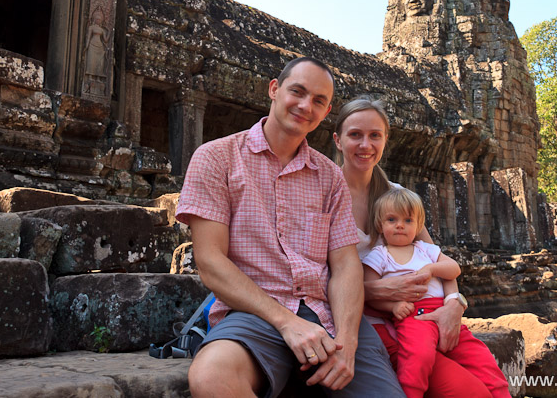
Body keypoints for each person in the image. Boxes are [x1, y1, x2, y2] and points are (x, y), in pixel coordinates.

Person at [176, 57, 405, 398]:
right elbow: (210, 260)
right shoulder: (216, 157)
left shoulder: (329, 176)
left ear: (326, 112)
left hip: (326, 314)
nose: (304, 105)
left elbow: (344, 264)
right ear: (274, 89)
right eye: (297, 91)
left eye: (318, 101)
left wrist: (347, 340)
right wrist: (287, 322)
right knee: (212, 377)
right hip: (254, 312)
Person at [333, 97, 507, 397]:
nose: (366, 144)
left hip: (427, 317)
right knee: (470, 392)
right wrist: (379, 293)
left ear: (386, 139)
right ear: (337, 140)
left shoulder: (399, 198)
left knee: (493, 383)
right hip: (371, 324)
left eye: (375, 135)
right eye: (355, 135)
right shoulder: (324, 194)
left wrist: (455, 304)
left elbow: (437, 260)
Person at [363, 188, 511, 398]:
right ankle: (411, 394)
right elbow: (369, 291)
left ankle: (502, 393)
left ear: (418, 226)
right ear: (380, 225)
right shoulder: (380, 255)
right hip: (414, 317)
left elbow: (454, 269)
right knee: (417, 357)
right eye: (391, 219)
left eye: (407, 220)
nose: (399, 225)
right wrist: (393, 307)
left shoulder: (426, 250)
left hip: (442, 309)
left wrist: (432, 268)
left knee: (480, 357)